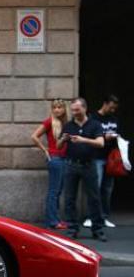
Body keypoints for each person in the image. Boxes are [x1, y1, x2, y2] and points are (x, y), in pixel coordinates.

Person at [58, 98, 106, 241]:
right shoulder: (68, 125)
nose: (74, 113)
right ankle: (72, 228)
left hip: (89, 165)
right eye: (72, 110)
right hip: (71, 165)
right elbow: (59, 146)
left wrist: (83, 139)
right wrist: (63, 139)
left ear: (85, 108)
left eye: (77, 110)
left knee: (94, 199)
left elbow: (101, 143)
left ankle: (97, 230)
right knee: (69, 199)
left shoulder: (95, 124)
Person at [31, 99, 69, 230]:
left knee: (58, 191)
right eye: (54, 107)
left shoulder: (66, 123)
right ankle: (52, 221)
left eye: (60, 107)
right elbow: (34, 136)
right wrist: (45, 150)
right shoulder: (49, 122)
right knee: (54, 191)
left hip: (64, 159)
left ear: (64, 109)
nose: (57, 110)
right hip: (55, 159)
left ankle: (55, 219)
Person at [85, 94, 120, 229]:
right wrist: (104, 137)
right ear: (105, 104)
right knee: (95, 187)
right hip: (96, 156)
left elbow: (118, 132)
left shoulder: (114, 119)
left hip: (110, 157)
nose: (113, 110)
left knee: (107, 189)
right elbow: (89, 135)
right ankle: (90, 216)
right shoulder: (93, 118)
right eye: (111, 107)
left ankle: (104, 217)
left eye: (114, 108)